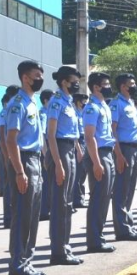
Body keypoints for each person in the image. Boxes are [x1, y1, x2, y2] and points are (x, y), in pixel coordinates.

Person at [5, 60, 47, 275]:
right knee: (22, 213)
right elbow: (11, 140)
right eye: (36, 76)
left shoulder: (32, 102)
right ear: (25, 78)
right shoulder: (17, 104)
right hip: (24, 162)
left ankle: (27, 261)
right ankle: (18, 264)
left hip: (35, 160)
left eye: (41, 75)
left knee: (32, 215)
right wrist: (20, 171)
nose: (40, 79)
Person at [46, 67, 85, 264]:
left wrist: (77, 147)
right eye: (73, 81)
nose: (76, 84)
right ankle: (58, 251)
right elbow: (51, 135)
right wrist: (58, 163)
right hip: (60, 150)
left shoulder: (69, 102)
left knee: (68, 203)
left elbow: (74, 130)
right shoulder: (56, 102)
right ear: (64, 82)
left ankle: (65, 247)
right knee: (60, 203)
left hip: (70, 148)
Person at [82, 72, 118, 252]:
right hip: (98, 154)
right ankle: (94, 240)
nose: (108, 87)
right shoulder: (91, 108)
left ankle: (99, 237)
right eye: (105, 84)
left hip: (107, 152)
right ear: (96, 87)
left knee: (105, 196)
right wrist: (96, 162)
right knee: (98, 197)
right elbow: (89, 137)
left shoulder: (104, 106)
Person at [110, 73, 137, 242]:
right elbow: (113, 130)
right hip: (124, 149)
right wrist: (118, 154)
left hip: (135, 147)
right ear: (123, 86)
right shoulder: (116, 104)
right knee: (121, 190)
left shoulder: (131, 103)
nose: (134, 86)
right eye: (131, 83)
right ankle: (122, 229)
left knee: (130, 188)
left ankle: (128, 225)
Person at [0, 87, 19, 228]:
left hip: (14, 148)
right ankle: (8, 218)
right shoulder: (4, 113)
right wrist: (7, 157)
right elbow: (3, 137)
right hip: (5, 148)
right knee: (9, 183)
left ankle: (15, 215)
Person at [38, 89, 55, 222]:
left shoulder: (49, 113)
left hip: (50, 151)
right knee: (46, 182)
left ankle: (48, 208)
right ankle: (44, 210)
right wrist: (46, 154)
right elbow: (43, 136)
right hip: (46, 152)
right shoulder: (43, 115)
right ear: (46, 101)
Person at [72, 93, 89, 209]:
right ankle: (77, 199)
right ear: (78, 101)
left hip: (85, 143)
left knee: (83, 173)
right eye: (83, 101)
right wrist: (79, 150)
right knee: (77, 174)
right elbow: (75, 135)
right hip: (78, 143)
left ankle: (80, 197)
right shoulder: (74, 114)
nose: (85, 103)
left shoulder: (83, 114)